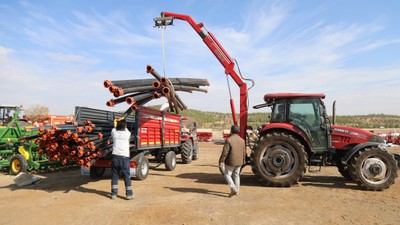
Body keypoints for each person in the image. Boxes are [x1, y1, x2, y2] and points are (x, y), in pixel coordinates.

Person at [219, 125, 246, 197]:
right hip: (240, 161)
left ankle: (234, 189)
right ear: (238, 132)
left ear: (231, 131)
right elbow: (244, 152)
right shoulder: (242, 140)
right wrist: (243, 160)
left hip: (231, 161)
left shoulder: (229, 140)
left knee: (227, 175)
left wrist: (221, 160)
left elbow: (225, 152)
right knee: (236, 175)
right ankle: (237, 190)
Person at [111, 118, 133, 200]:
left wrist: (115, 123)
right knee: (126, 176)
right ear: (125, 126)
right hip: (124, 158)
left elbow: (114, 128)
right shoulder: (127, 134)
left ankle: (114, 194)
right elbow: (126, 129)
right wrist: (122, 121)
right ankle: (129, 194)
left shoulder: (114, 133)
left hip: (115, 157)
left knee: (114, 176)